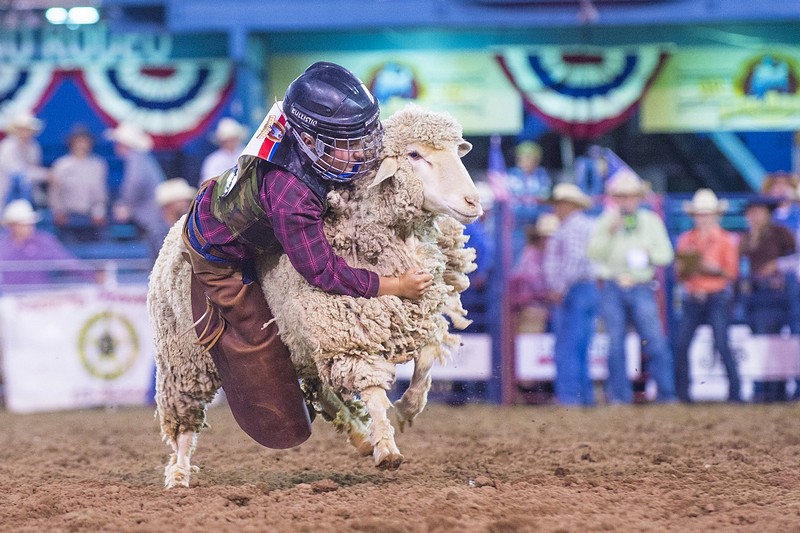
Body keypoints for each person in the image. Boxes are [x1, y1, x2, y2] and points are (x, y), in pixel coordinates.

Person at [180, 62, 432, 447]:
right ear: (311, 141)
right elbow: (323, 272)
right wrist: (396, 284)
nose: (362, 150)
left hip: (254, 213)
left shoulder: (305, 135)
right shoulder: (292, 195)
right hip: (218, 249)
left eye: (364, 136)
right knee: (261, 349)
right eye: (346, 142)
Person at [587, 169, 677, 404]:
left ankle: (666, 394)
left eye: (630, 196)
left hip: (641, 285)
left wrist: (650, 254)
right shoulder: (605, 221)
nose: (626, 201)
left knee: (655, 341)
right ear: (616, 199)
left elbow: (666, 255)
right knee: (615, 344)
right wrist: (610, 232)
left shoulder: (651, 221)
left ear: (638, 198)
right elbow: (594, 254)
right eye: (622, 196)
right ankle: (619, 396)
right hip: (613, 285)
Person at [673, 189, 741, 403]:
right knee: (681, 344)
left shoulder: (726, 240)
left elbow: (732, 273)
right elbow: (679, 274)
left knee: (722, 343)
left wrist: (712, 269)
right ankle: (683, 395)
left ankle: (735, 393)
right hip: (693, 297)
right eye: (700, 214)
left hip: (716, 297)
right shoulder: (686, 239)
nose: (703, 219)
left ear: (715, 216)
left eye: (707, 214)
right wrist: (690, 268)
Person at [543, 183, 598, 406]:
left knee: (568, 345)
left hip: (574, 290)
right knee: (580, 344)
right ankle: (583, 396)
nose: (556, 208)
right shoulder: (583, 225)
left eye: (559, 204)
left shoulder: (573, 226)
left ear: (569, 205)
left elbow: (574, 259)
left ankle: (569, 397)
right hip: (584, 288)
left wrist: (560, 288)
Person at [739, 195, 796, 402]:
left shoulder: (781, 233)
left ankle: (774, 388)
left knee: (771, 338)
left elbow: (795, 258)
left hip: (775, 293)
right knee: (759, 338)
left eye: (758, 211)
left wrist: (777, 266)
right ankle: (764, 387)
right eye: (751, 212)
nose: (754, 216)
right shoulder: (746, 237)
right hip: (753, 294)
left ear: (767, 214)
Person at [106, 122, 166, 260]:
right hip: (152, 216)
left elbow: (136, 182)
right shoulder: (142, 157)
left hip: (150, 217)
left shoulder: (136, 158)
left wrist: (126, 205)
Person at [0, 199, 90, 289]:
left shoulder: (44, 242)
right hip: (10, 295)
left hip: (40, 294)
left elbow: (68, 262)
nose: (29, 227)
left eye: (29, 223)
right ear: (11, 226)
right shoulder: (3, 246)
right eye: (23, 224)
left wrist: (91, 274)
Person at [49, 124, 109, 241]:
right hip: (68, 216)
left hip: (90, 217)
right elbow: (55, 192)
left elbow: (100, 191)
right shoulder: (61, 164)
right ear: (71, 142)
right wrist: (58, 211)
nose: (81, 144)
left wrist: (99, 211)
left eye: (85, 141)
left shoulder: (98, 165)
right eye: (78, 141)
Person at [510, 213, 559, 334]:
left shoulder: (555, 256)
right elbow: (533, 281)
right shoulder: (530, 255)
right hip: (532, 304)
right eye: (546, 238)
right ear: (540, 238)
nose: (548, 241)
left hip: (552, 303)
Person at [0, 111, 49, 207]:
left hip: (27, 192)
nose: (25, 132)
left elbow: (35, 167)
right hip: (6, 190)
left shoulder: (34, 146)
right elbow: (16, 172)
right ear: (16, 130)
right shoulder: (8, 146)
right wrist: (44, 174)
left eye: (28, 129)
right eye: (22, 129)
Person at [153, 177, 197, 253]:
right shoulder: (157, 231)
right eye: (181, 200)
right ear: (169, 204)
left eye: (186, 200)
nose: (186, 203)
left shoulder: (189, 226)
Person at [200, 117, 248, 185]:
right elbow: (207, 182)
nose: (230, 143)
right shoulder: (213, 160)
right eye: (227, 141)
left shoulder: (247, 154)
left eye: (232, 140)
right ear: (221, 142)